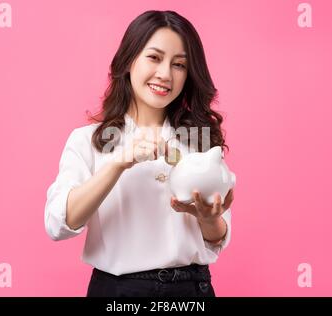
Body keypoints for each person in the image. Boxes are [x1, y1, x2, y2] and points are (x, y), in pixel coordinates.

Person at [44, 10, 235, 297]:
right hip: (118, 292)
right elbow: (59, 224)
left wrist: (209, 218)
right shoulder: (89, 141)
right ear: (129, 60)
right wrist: (117, 163)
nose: (165, 74)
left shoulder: (199, 141)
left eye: (179, 64)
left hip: (191, 291)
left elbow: (216, 238)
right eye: (154, 57)